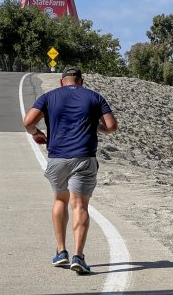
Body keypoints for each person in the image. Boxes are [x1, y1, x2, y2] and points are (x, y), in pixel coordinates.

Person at [23, 66, 118, 274]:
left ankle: (61, 252)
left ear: (61, 81)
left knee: (60, 200)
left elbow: (28, 122)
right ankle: (78, 256)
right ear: (81, 81)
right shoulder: (95, 97)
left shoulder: (48, 97)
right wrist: (96, 127)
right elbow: (111, 126)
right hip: (84, 157)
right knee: (80, 206)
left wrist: (37, 134)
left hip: (57, 157)